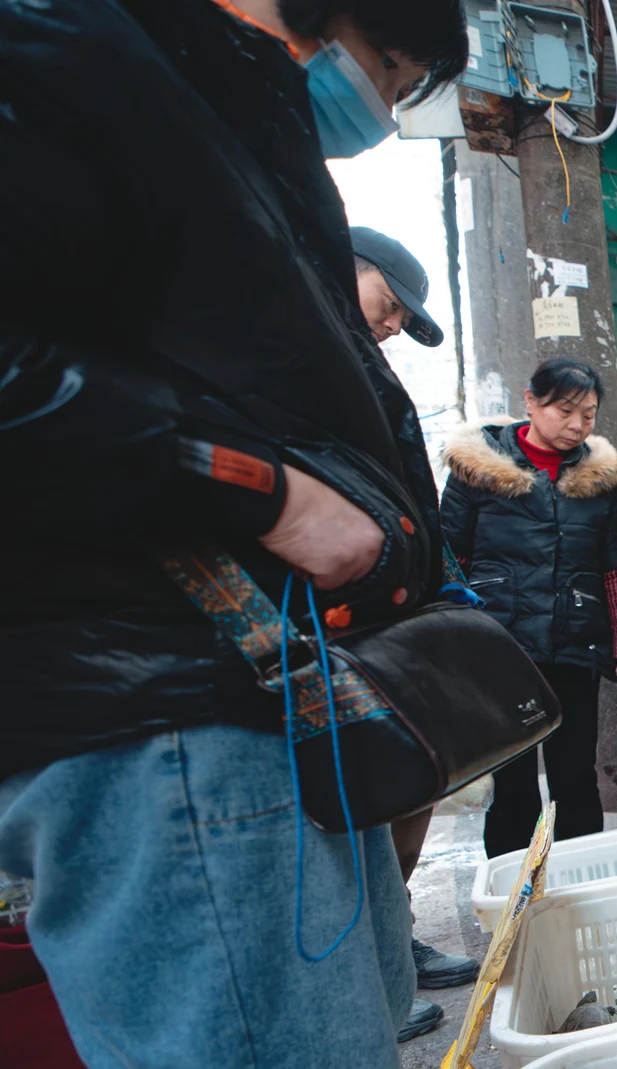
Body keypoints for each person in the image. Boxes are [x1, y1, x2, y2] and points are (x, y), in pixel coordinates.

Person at [0, 2, 467, 1066]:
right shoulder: (70, 48)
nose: (379, 117)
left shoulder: (211, 100)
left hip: (265, 698)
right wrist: (260, 492)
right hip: (162, 707)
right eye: (389, 77)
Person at [349, 226, 477, 1039]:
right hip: (353, 626)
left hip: (404, 610)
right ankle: (374, 968)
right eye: (389, 304)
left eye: (399, 315)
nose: (393, 324)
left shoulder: (360, 361)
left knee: (416, 785)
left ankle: (393, 940)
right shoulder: (303, 345)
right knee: (379, 787)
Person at [441, 358, 617, 857]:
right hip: (501, 650)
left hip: (574, 645)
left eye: (589, 415)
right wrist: (452, 643)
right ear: (530, 401)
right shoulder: (480, 471)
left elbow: (616, 568)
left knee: (575, 776)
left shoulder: (600, 479)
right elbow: (450, 559)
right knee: (511, 784)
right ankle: (515, 892)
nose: (577, 425)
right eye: (565, 410)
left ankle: (582, 882)